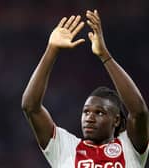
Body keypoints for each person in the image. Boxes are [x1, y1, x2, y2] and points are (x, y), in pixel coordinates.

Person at [21, 9, 149, 167]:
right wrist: (51, 50)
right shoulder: (65, 148)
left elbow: (139, 112)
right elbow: (30, 107)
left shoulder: (129, 147)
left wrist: (105, 56)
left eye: (99, 112)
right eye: (86, 111)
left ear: (116, 120)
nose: (90, 117)